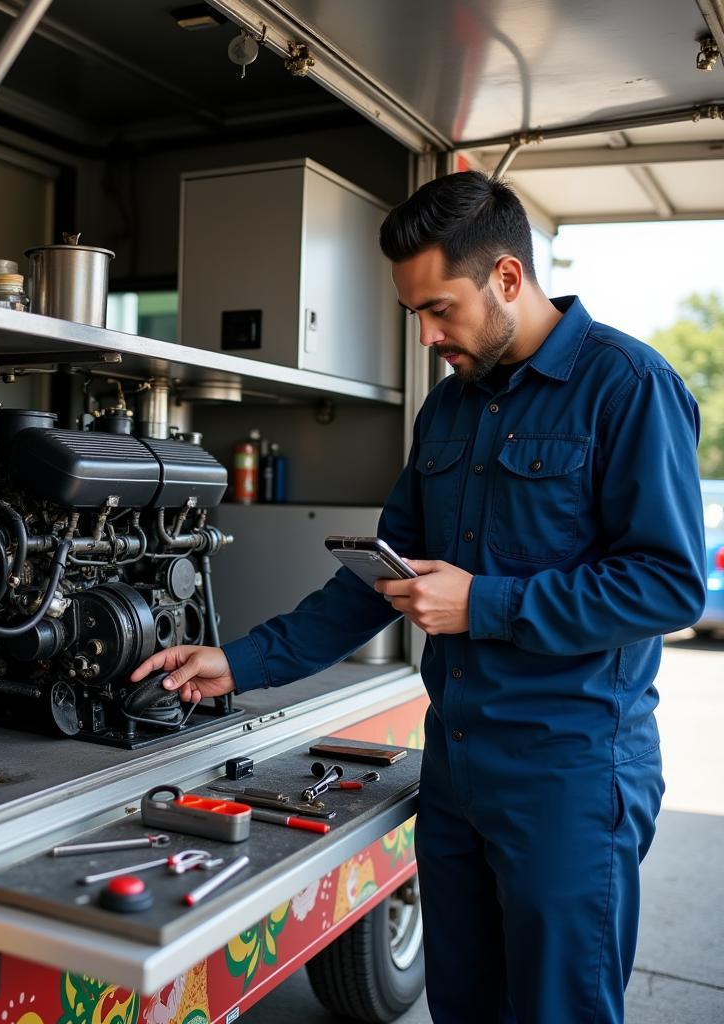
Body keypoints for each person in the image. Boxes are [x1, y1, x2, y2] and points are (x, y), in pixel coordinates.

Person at [131, 170, 705, 1023]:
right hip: (456, 774)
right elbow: (379, 578)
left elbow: (670, 583)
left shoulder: (627, 386)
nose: (432, 335)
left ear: (507, 278)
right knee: (463, 1008)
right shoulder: (446, 410)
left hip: (570, 781)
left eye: (444, 309)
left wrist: (489, 605)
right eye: (417, 316)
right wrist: (239, 661)